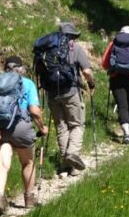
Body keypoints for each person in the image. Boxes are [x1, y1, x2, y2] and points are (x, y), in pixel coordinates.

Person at [35, 22, 97, 177]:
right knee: (77, 125)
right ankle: (72, 155)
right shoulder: (75, 48)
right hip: (71, 91)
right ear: (72, 36)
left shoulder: (47, 49)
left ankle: (66, 165)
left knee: (61, 126)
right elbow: (87, 71)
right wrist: (91, 83)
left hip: (51, 93)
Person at [0, 56, 48, 214]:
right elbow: (34, 111)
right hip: (20, 126)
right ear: (21, 68)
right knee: (28, 162)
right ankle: (29, 199)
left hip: (0, 127)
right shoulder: (27, 83)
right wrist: (42, 127)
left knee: (1, 164)